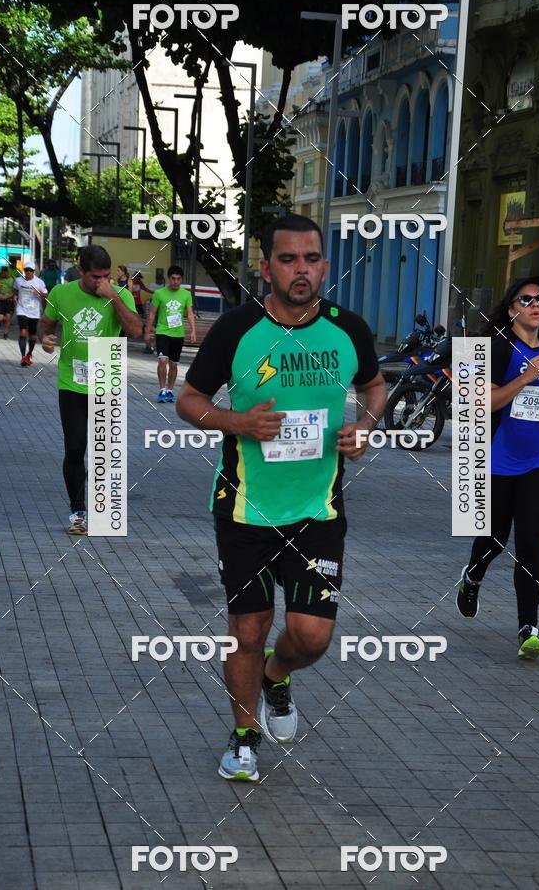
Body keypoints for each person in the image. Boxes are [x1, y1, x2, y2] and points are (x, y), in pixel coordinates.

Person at [176, 214, 386, 781]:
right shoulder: (237, 330)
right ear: (266, 266)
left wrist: (364, 427)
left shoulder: (349, 329)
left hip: (318, 509)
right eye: (288, 259)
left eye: (311, 259)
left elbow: (374, 385)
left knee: (312, 637)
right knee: (247, 630)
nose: (301, 270)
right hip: (245, 508)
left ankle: (277, 676)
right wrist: (236, 421)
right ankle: (244, 736)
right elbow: (189, 399)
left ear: (325, 265)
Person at [456, 276, 539, 659]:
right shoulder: (494, 350)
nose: (535, 305)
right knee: (494, 540)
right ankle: (472, 577)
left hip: (538, 461)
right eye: (525, 300)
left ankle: (528, 626)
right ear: (512, 309)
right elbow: (483, 403)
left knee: (529, 544)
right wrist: (525, 377)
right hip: (496, 460)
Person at [40, 244, 142, 535]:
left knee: (106, 452)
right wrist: (45, 337)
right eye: (96, 277)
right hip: (72, 380)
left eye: (106, 276)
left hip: (106, 376)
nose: (102, 282)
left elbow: (135, 331)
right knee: (75, 447)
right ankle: (77, 512)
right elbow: (45, 325)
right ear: (80, 270)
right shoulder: (62, 293)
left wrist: (115, 299)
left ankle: (104, 509)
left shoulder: (118, 295)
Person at [144, 265, 196, 402]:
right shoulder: (159, 294)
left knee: (173, 364)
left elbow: (190, 313)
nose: (176, 282)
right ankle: (162, 390)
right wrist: (148, 331)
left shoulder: (186, 295)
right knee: (162, 360)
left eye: (178, 279)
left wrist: (193, 331)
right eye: (173, 279)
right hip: (163, 332)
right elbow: (152, 314)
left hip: (178, 334)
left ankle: (170, 390)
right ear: (168, 279)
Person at [14, 262, 48, 366]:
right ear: (24, 271)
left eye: (30, 270)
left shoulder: (39, 282)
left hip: (34, 312)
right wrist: (14, 297)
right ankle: (23, 357)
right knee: (23, 332)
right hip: (21, 310)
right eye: (26, 270)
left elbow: (46, 295)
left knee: (33, 335)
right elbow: (15, 290)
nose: (28, 272)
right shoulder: (18, 280)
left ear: (34, 271)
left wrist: (40, 293)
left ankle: (29, 354)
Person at [0, 266, 15, 338]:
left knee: (8, 318)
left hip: (9, 300)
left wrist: (7, 296)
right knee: (0, 318)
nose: (0, 275)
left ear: (6, 272)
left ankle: (6, 333)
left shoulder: (13, 279)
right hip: (1, 300)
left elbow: (14, 292)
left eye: (1, 273)